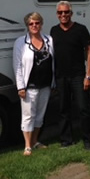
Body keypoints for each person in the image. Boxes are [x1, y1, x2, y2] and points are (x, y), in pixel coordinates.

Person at [50, 1, 90, 150]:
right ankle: (66, 140)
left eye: (66, 12)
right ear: (57, 14)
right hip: (60, 76)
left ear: (71, 13)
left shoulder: (80, 29)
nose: (63, 15)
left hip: (78, 76)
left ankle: (89, 141)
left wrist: (88, 76)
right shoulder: (53, 31)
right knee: (63, 109)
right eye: (60, 12)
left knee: (83, 109)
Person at [13, 12, 55, 156]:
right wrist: (20, 87)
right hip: (29, 86)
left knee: (39, 116)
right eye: (31, 23)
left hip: (46, 85)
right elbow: (17, 66)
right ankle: (27, 146)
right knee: (28, 116)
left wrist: (53, 83)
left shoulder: (49, 40)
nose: (34, 26)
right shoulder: (20, 42)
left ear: (41, 24)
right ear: (27, 25)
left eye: (37, 23)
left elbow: (54, 63)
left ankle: (35, 141)